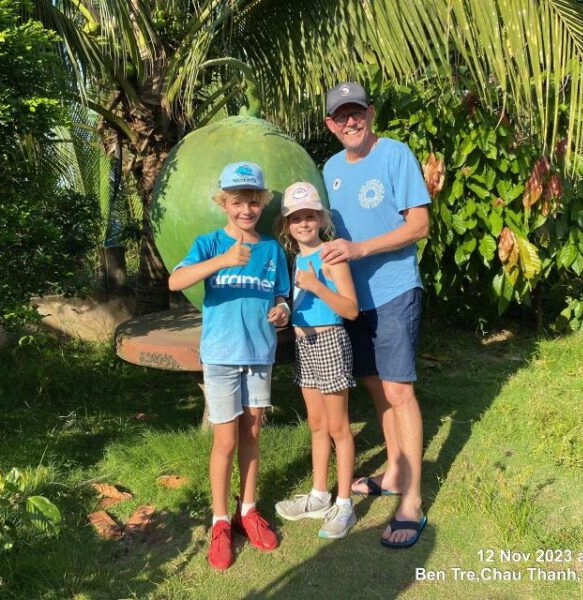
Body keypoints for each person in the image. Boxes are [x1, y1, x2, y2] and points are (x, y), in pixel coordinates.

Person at [320, 82, 431, 549]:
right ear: (330, 124)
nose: (350, 122)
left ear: (370, 113)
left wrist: (361, 248)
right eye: (341, 116)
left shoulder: (395, 154)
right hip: (353, 298)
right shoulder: (329, 170)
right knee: (375, 387)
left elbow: (420, 224)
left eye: (357, 112)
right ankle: (395, 471)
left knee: (399, 390)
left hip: (393, 290)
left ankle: (413, 500)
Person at [168, 161, 291, 571]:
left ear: (262, 203)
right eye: (237, 202)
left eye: (253, 202)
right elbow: (176, 281)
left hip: (259, 354)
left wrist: (282, 311)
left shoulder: (272, 250)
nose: (246, 210)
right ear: (223, 203)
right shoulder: (208, 243)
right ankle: (220, 520)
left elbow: (280, 296)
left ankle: (248, 510)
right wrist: (222, 260)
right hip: (221, 355)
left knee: (252, 433)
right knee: (225, 441)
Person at [273, 182, 359, 539]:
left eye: (309, 216)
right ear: (287, 225)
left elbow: (350, 310)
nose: (303, 223)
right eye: (296, 218)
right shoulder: (297, 260)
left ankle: (345, 504)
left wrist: (317, 286)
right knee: (317, 424)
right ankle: (319, 495)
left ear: (321, 219)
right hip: (303, 344)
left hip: (329, 342)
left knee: (339, 427)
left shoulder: (330, 255)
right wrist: (284, 312)